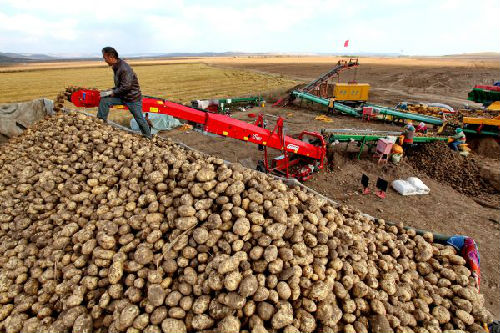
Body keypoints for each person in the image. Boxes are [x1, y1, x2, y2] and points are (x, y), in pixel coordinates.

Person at [98, 47, 152, 139]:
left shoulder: (124, 68)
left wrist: (113, 92)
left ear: (111, 57)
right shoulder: (116, 66)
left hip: (132, 99)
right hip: (123, 97)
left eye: (105, 58)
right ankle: (101, 125)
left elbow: (126, 87)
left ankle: (148, 137)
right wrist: (110, 90)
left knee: (139, 119)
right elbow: (121, 84)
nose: (105, 60)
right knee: (104, 101)